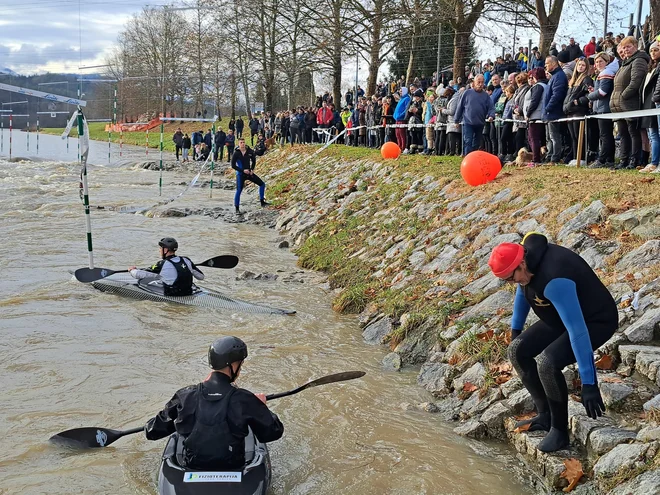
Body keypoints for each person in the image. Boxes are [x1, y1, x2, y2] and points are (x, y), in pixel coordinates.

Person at [488, 233, 617, 453]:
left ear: (521, 262)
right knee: (517, 350)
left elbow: (577, 329)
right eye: (507, 280)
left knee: (547, 362)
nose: (513, 282)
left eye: (512, 277)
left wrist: (589, 383)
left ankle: (559, 432)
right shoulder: (525, 266)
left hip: (594, 320)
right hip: (559, 316)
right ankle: (545, 415)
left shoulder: (554, 278)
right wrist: (516, 330)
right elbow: (523, 292)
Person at [145, 336, 284, 470]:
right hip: (233, 467)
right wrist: (261, 406)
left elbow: (152, 432)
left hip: (193, 466)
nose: (240, 369)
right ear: (233, 365)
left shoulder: (185, 395)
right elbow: (273, 432)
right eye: (240, 365)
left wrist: (154, 424)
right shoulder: (244, 399)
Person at [128, 237, 204, 296]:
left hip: (172, 295)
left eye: (161, 248)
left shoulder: (162, 264)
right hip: (188, 292)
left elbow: (138, 274)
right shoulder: (186, 260)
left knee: (142, 281)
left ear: (165, 250)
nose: (159, 250)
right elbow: (201, 277)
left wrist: (132, 270)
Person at [454, 74, 495, 155]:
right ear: (474, 82)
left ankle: (473, 158)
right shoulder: (467, 93)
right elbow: (460, 107)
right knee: (468, 141)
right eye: (478, 82)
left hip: (480, 123)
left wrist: (491, 115)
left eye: (482, 82)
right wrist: (456, 120)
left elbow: (491, 107)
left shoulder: (486, 96)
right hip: (468, 122)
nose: (480, 84)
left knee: (476, 142)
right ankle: (467, 158)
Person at [231, 138, 268, 214]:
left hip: (249, 173)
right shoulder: (236, 153)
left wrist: (252, 169)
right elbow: (233, 165)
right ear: (238, 144)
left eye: (243, 142)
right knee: (239, 190)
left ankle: (262, 202)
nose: (243, 144)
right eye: (241, 143)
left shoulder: (250, 151)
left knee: (262, 184)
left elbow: (254, 161)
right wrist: (242, 170)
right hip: (240, 174)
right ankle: (237, 209)